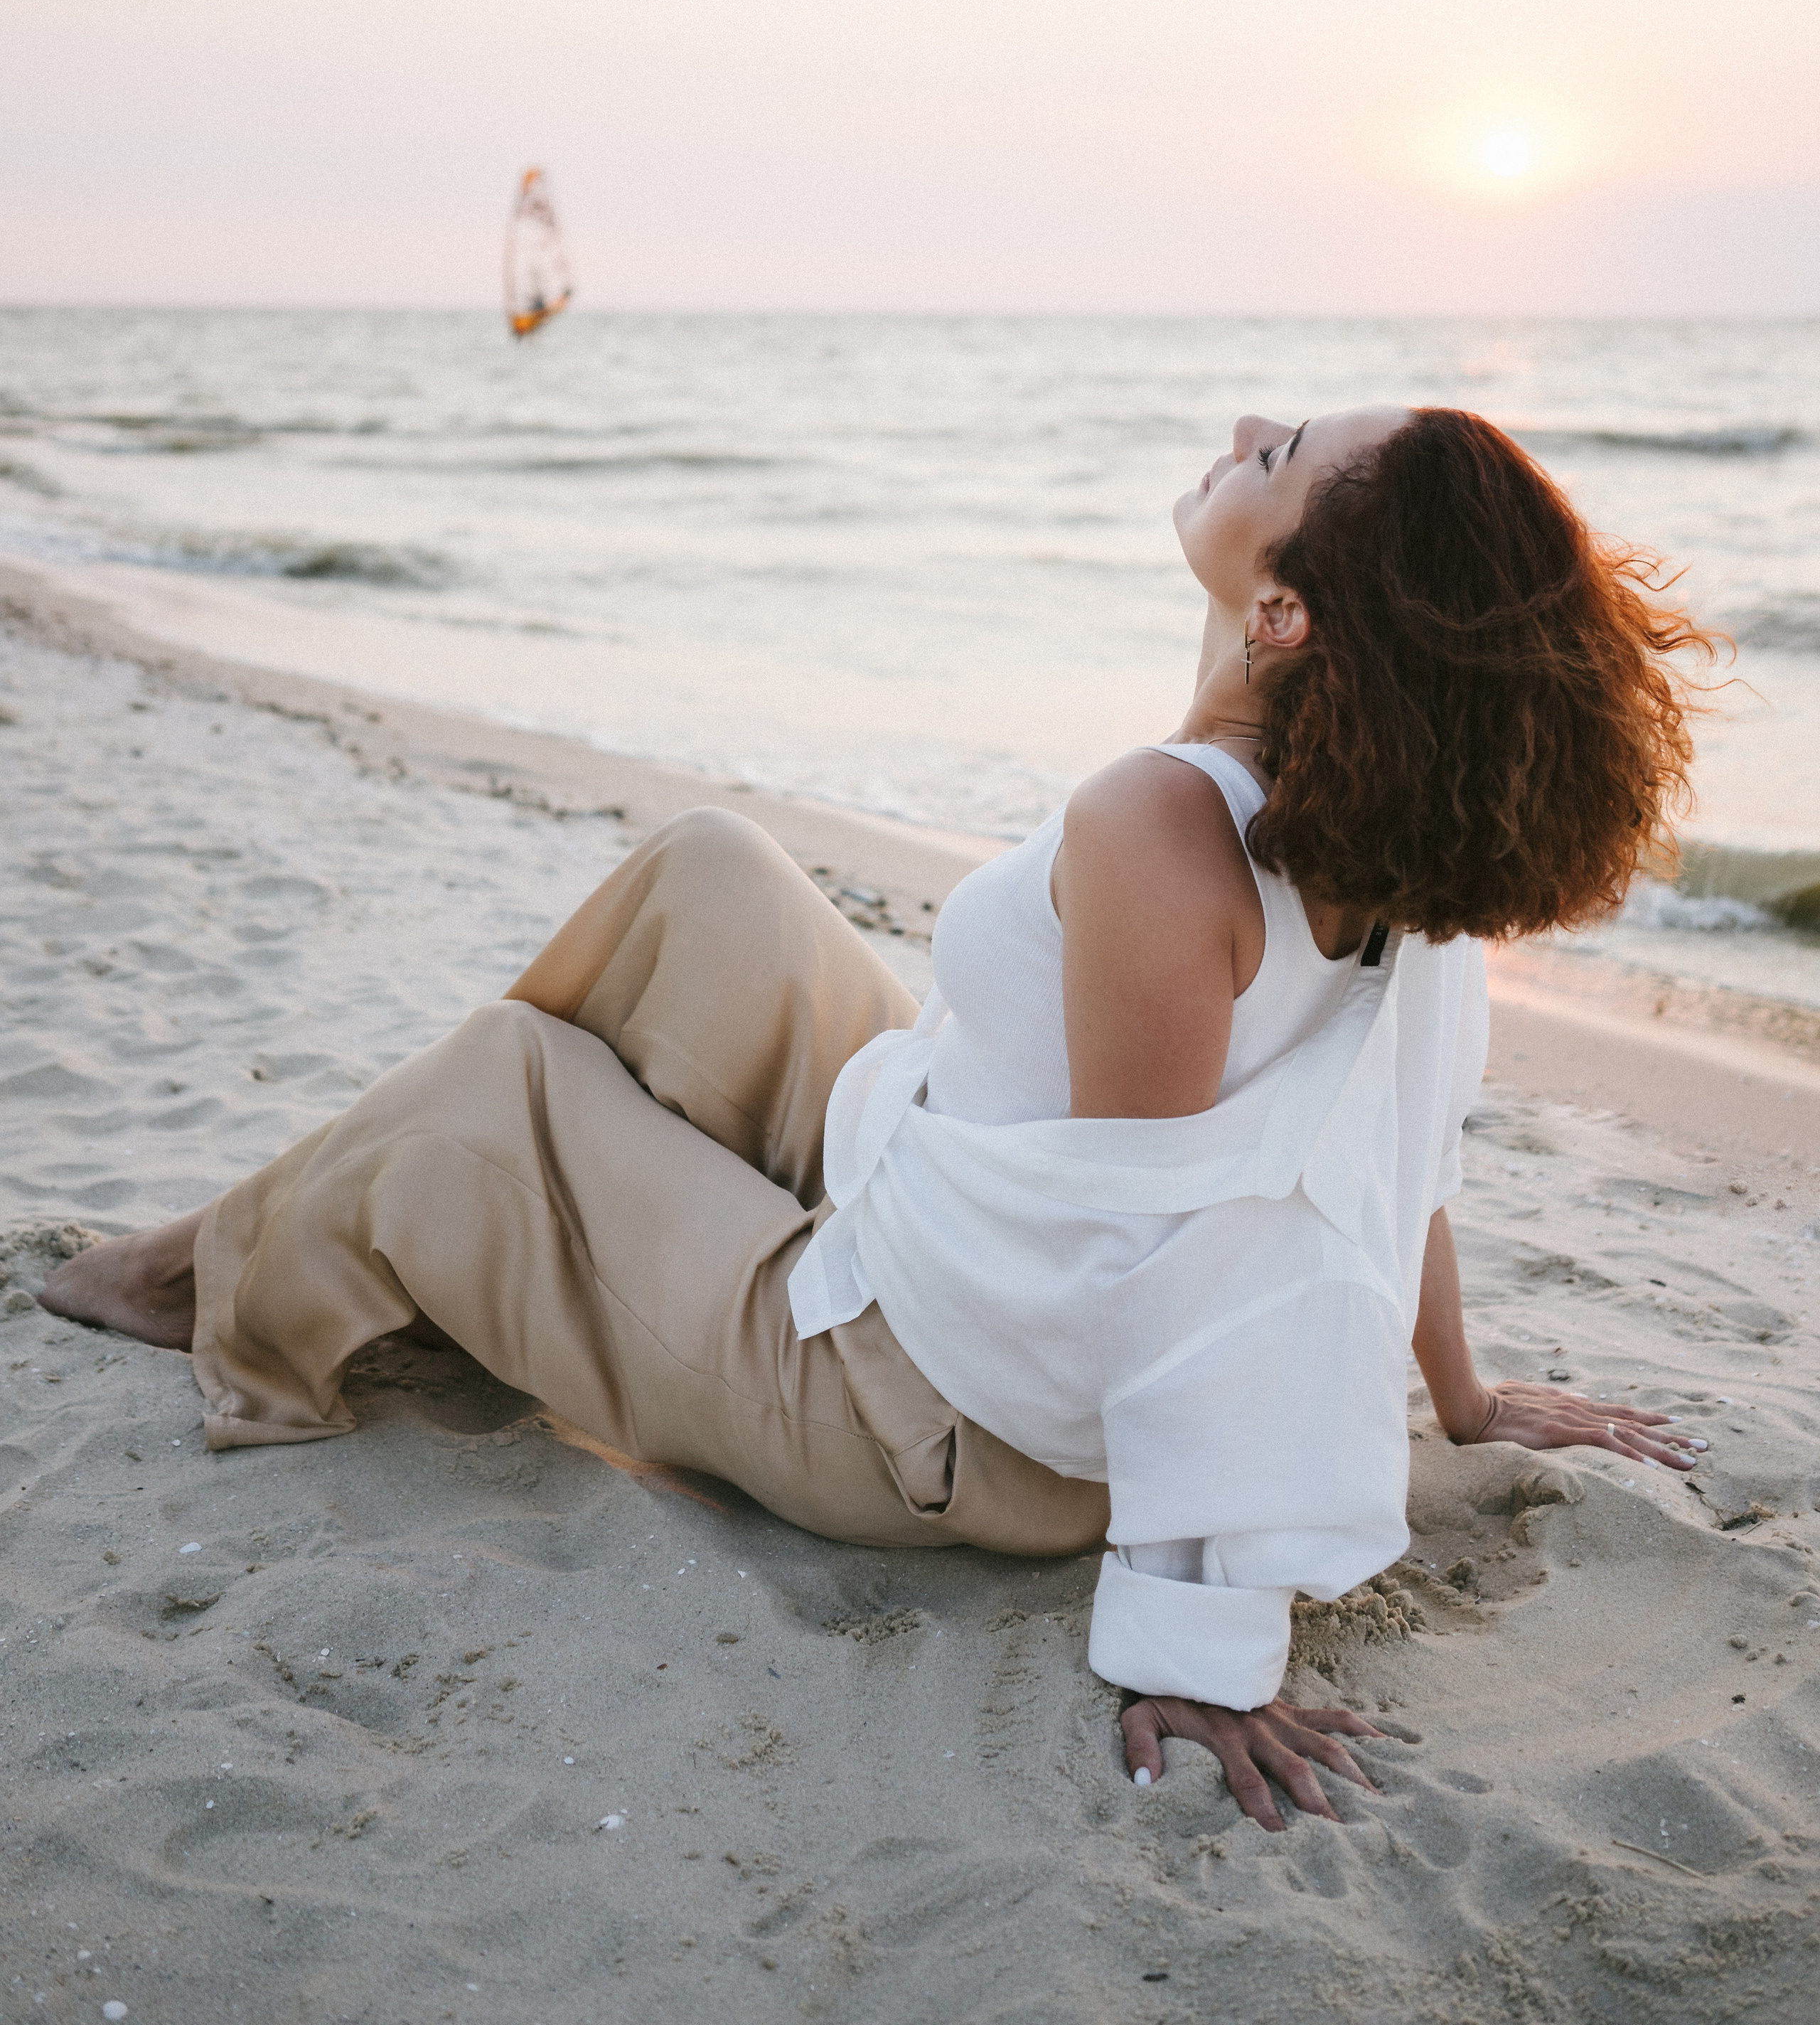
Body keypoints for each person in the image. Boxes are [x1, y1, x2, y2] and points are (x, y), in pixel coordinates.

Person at [43, 404, 1711, 1834]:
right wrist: (1466, 1400)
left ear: (1283, 617)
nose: (1235, 430)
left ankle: (213, 1277)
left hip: (921, 1415)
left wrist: (1195, 1656)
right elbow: (1393, 1160)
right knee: (710, 877)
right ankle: (449, 1232)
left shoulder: (1156, 826)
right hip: (925, 1197)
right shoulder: (1390, 847)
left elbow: (1177, 1255)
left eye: (1271, 453)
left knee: (498, 1095)